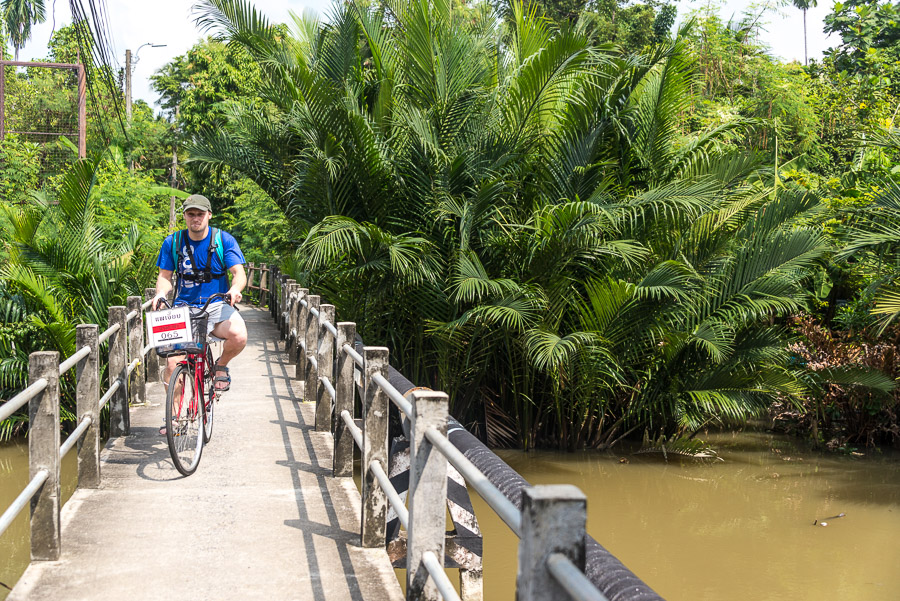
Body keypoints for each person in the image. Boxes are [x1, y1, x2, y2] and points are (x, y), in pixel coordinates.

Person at [152, 194, 248, 396]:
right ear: (185, 216)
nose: (196, 218)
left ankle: (220, 366)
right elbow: (164, 277)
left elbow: (239, 273)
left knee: (239, 336)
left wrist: (235, 289)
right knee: (172, 363)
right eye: (191, 214)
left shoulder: (223, 240)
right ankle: (174, 421)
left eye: (200, 214)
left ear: (209, 215)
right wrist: (160, 294)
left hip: (215, 305)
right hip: (183, 307)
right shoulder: (173, 242)